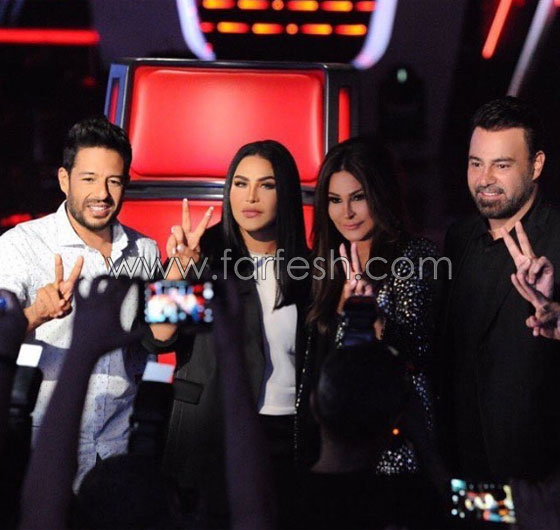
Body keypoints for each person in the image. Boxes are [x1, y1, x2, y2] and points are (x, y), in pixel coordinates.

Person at [149, 139, 309, 524]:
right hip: (212, 431)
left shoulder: (308, 266)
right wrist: (180, 270)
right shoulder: (205, 254)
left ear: (286, 192)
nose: (250, 197)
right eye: (240, 183)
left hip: (289, 435)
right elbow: (159, 337)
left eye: (266, 185)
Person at [0, 117, 159, 486]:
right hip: (41, 447)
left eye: (113, 181)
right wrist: (37, 313)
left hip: (119, 447)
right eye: (89, 179)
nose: (102, 193)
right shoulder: (20, 245)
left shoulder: (145, 250)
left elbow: (150, 349)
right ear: (64, 179)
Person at [298, 137, 441, 474]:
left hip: (395, 439)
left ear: (381, 194)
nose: (346, 212)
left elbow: (419, 354)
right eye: (335, 200)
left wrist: (374, 319)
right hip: (333, 443)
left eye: (358, 198)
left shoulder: (415, 256)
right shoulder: (322, 264)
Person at [441, 96, 560, 481]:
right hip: (466, 468)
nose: (485, 179)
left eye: (502, 165)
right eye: (476, 163)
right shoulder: (458, 238)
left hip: (541, 479)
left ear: (536, 165)